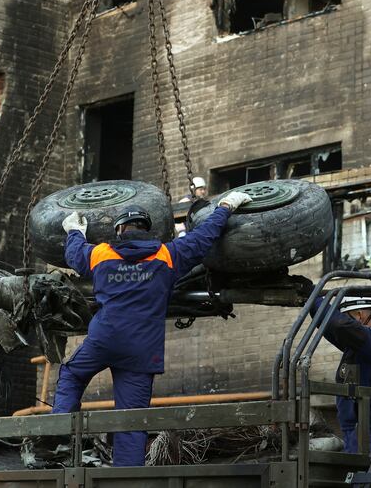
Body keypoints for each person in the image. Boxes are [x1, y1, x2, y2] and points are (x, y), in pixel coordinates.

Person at [52, 190, 252, 466]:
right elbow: (204, 238)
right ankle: (128, 480)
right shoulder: (168, 254)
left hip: (104, 339)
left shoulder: (100, 254)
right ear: (147, 229)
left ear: (120, 229)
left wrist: (74, 230)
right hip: (142, 349)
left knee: (72, 374)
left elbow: (74, 255)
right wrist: (225, 208)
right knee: (132, 420)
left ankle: (58, 435)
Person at [312, 296, 371, 453]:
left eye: (347, 317)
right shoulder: (359, 344)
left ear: (360, 315)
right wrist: (311, 300)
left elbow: (340, 325)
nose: (345, 321)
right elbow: (330, 327)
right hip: (354, 434)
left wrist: (317, 299)